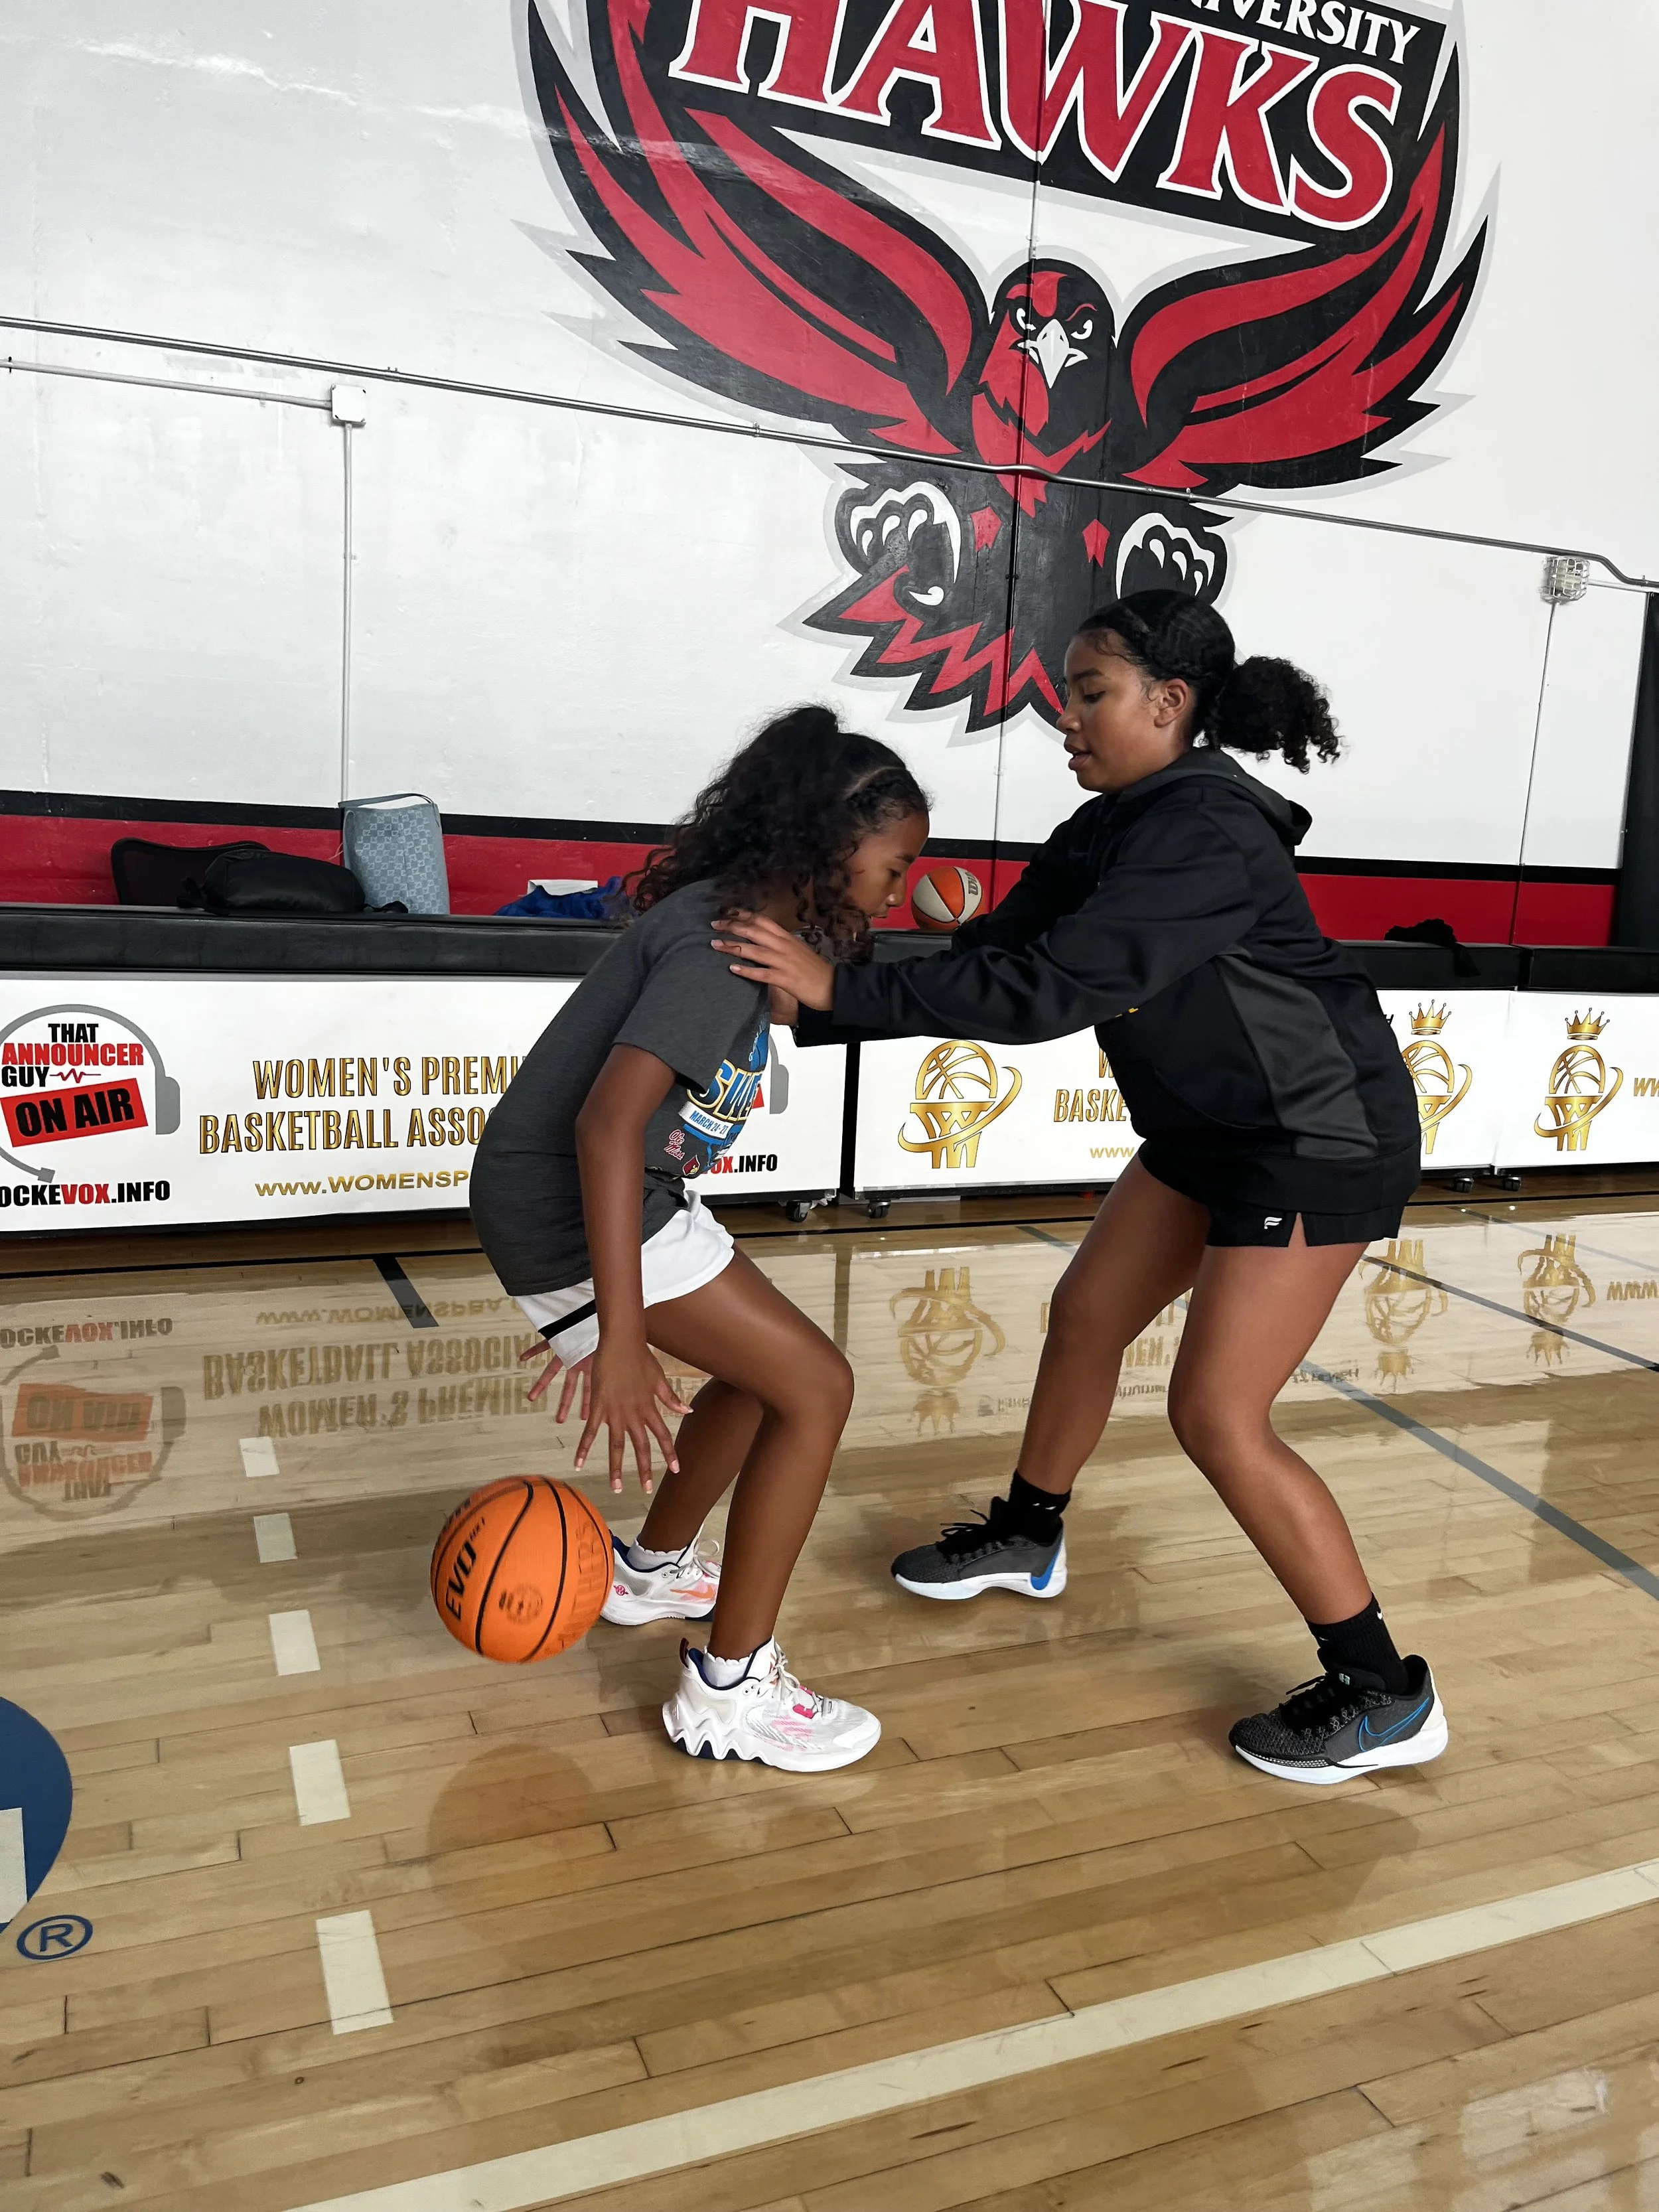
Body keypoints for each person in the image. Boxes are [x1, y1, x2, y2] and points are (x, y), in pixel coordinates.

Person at [715, 591, 1445, 1787]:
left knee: (1217, 1414)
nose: (1066, 717)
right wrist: (826, 983)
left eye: (1090, 693)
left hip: (1312, 1139)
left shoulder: (1210, 832)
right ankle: (1028, 1531)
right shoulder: (1110, 825)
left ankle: (1381, 1687)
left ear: (1170, 704)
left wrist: (839, 994)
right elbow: (991, 960)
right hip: (1208, 1133)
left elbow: (1052, 994)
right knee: (1089, 1314)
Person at [470, 705, 928, 1772]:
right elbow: (605, 1122)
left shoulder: (744, 928)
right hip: (577, 1204)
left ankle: (652, 1568)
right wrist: (622, 1344)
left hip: (627, 1193)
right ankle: (729, 1688)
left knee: (771, 1380)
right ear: (829, 844)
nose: (899, 887)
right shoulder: (717, 947)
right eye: (894, 863)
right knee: (819, 1387)